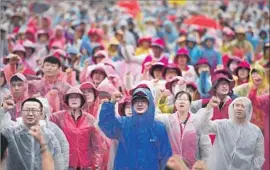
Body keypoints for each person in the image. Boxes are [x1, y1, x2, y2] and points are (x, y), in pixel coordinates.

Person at [98, 87, 172, 170]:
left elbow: (166, 156)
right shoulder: (123, 123)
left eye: (143, 101)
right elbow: (107, 126)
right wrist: (111, 104)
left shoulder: (159, 127)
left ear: (150, 103)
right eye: (136, 101)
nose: (139, 104)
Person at [196, 96, 265, 170]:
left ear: (248, 109)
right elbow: (203, 127)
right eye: (237, 105)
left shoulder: (255, 132)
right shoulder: (222, 125)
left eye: (243, 106)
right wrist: (209, 108)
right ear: (233, 107)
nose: (239, 108)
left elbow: (259, 157)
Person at [0, 98, 64, 170]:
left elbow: (57, 159)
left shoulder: (49, 135)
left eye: (34, 110)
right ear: (21, 112)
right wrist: (3, 110)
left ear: (41, 113)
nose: (30, 114)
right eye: (27, 110)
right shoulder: (12, 133)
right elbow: (1, 129)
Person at [50, 87, 104, 170]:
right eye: (71, 97)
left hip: (86, 164)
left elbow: (97, 145)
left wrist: (97, 164)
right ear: (67, 100)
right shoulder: (57, 117)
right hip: (66, 163)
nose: (74, 100)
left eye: (77, 97)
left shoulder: (90, 119)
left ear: (82, 100)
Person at [156, 91, 211, 168]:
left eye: (185, 99)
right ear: (175, 103)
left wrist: (203, 165)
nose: (182, 101)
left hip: (192, 166)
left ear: (190, 104)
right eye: (179, 99)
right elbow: (153, 116)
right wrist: (160, 98)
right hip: (173, 166)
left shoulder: (198, 120)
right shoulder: (168, 119)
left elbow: (206, 147)